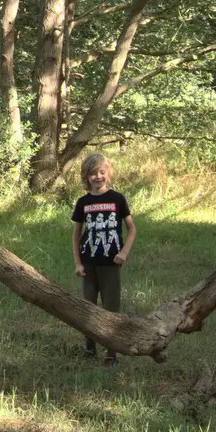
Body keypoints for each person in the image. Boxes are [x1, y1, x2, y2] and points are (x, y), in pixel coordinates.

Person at [70, 152, 134, 365]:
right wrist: (78, 263)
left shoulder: (117, 199)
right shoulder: (83, 203)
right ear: (86, 176)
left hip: (110, 264)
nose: (98, 177)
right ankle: (89, 349)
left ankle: (111, 353)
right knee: (88, 308)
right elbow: (76, 235)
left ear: (108, 173)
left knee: (111, 309)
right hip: (89, 263)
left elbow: (132, 229)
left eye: (101, 172)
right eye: (92, 173)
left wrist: (123, 253)